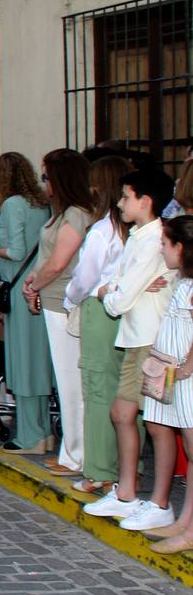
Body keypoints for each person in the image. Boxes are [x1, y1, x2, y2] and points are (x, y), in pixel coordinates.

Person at [85, 168, 178, 530]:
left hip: (152, 341)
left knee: (156, 424)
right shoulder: (139, 235)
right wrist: (114, 289)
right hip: (135, 338)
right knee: (123, 414)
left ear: (145, 201)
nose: (120, 203)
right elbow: (111, 284)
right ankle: (126, 493)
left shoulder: (155, 239)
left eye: (125, 197)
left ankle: (159, 503)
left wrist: (113, 291)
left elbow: (116, 299)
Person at [21, 149, 93, 476]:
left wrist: (35, 285)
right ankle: (71, 451)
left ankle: (77, 455)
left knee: (71, 383)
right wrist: (32, 284)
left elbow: (59, 262)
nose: (44, 182)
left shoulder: (76, 214)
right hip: (53, 301)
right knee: (65, 382)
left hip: (66, 305)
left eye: (47, 175)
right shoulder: (61, 213)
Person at [65, 155, 133, 495]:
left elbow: (85, 278)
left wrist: (69, 298)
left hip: (99, 309)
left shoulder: (103, 230)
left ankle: (100, 470)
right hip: (128, 311)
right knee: (126, 390)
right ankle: (126, 465)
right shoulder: (133, 229)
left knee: (97, 390)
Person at [0, 152, 53, 453]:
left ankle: (30, 435)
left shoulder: (12, 204)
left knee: (22, 364)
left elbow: (17, 250)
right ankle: (44, 431)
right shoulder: (41, 205)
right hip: (38, 287)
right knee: (38, 364)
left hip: (20, 289)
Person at [140, 217, 193, 553]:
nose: (161, 249)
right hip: (177, 374)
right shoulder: (183, 281)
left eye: (165, 244)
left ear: (181, 248)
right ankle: (186, 521)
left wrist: (189, 365)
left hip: (187, 376)